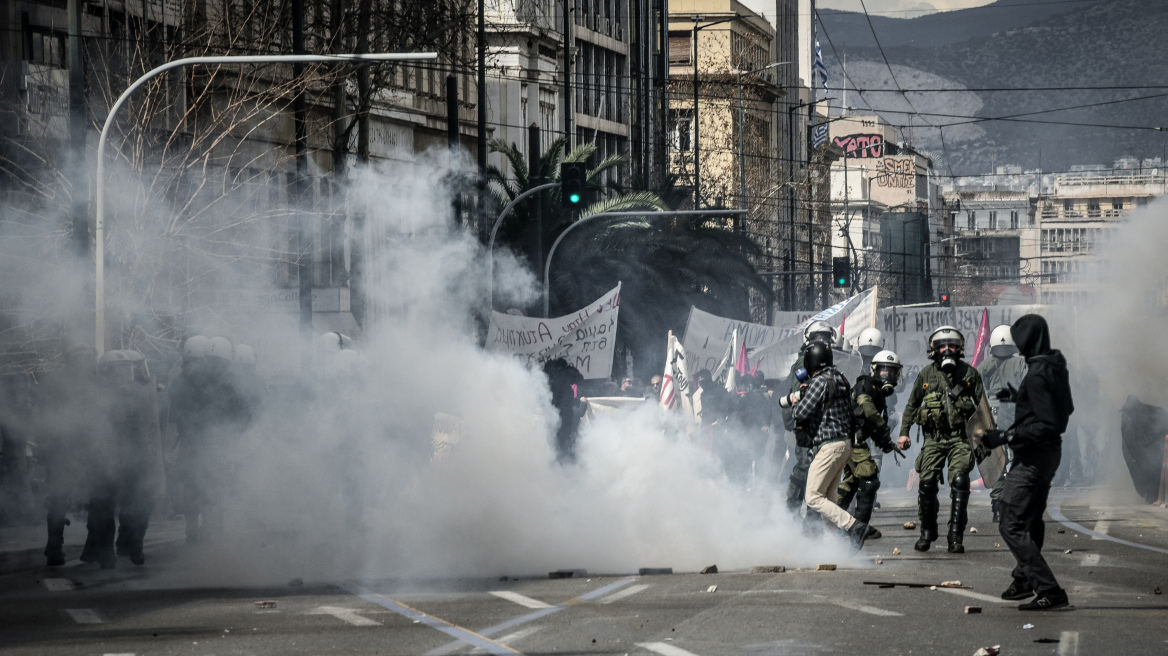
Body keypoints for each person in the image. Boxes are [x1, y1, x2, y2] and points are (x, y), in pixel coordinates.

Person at [980, 314, 1074, 611]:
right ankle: (1023, 579)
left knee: (1010, 521)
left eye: (1020, 340)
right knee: (1031, 518)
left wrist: (1005, 436)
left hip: (1033, 456)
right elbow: (1065, 408)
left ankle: (1048, 588)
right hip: (1049, 454)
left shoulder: (1036, 375)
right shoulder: (1054, 366)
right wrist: (1019, 396)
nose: (1017, 346)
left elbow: (1048, 423)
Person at [897, 325, 986, 554]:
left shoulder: (970, 375)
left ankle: (955, 536)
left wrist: (985, 436)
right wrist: (904, 432)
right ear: (934, 349)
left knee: (960, 482)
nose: (947, 349)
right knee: (926, 484)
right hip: (933, 438)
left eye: (952, 345)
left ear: (959, 348)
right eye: (942, 346)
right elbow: (912, 405)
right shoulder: (926, 375)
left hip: (960, 438)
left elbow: (982, 407)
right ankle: (927, 532)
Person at [782, 341, 868, 551]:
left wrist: (797, 399)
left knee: (812, 497)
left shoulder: (819, 381)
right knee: (829, 497)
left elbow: (801, 413)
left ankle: (854, 526)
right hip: (844, 444)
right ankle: (833, 548)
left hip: (829, 445)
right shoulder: (839, 378)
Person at [37, 345, 102, 567]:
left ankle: (63, 547)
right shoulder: (68, 383)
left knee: (83, 497)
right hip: (67, 448)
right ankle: (57, 547)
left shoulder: (87, 381)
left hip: (79, 448)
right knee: (65, 498)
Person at [837, 350, 901, 540]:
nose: (887, 375)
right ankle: (858, 528)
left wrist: (884, 441)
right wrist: (883, 428)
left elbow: (868, 424)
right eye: (883, 371)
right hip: (851, 438)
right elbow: (865, 407)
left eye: (891, 372)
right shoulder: (866, 385)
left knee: (852, 481)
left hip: (852, 438)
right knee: (869, 477)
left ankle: (834, 523)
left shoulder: (877, 391)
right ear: (874, 370)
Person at [780, 322, 837, 530]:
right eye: (818, 337)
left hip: (823, 425)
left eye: (826, 337)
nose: (822, 341)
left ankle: (813, 518)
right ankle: (792, 511)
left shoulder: (827, 360)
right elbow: (801, 392)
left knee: (820, 471)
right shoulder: (803, 363)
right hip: (806, 423)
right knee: (805, 466)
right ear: (808, 339)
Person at [976, 325, 1028, 522]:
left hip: (990, 417)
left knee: (997, 463)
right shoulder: (1020, 364)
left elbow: (976, 392)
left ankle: (997, 507)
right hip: (1013, 415)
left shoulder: (984, 365)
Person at [543, 358, 586, 464]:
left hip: (562, 412)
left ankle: (564, 463)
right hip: (569, 412)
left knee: (560, 440)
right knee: (568, 440)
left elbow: (553, 397)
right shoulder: (573, 375)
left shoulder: (560, 376)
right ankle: (567, 462)